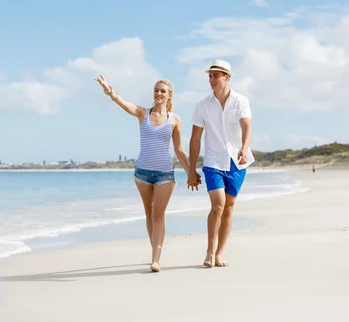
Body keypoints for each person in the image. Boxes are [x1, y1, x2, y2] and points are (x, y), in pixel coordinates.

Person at [94, 74, 199, 273]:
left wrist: (190, 172)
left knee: (158, 214)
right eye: (156, 90)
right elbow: (123, 104)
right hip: (142, 173)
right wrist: (109, 91)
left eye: (163, 91)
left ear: (169, 96)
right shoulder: (143, 113)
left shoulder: (174, 120)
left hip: (165, 175)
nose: (158, 94)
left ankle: (155, 259)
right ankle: (155, 251)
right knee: (149, 214)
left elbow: (179, 150)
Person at [187, 59, 254, 268]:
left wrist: (244, 147)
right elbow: (195, 139)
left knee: (229, 207)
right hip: (213, 161)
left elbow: (246, 126)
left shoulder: (241, 101)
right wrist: (191, 169)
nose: (211, 79)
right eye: (210, 75)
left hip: (237, 161)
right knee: (218, 205)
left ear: (227, 77)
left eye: (216, 75)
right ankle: (209, 251)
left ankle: (219, 252)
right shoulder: (202, 105)